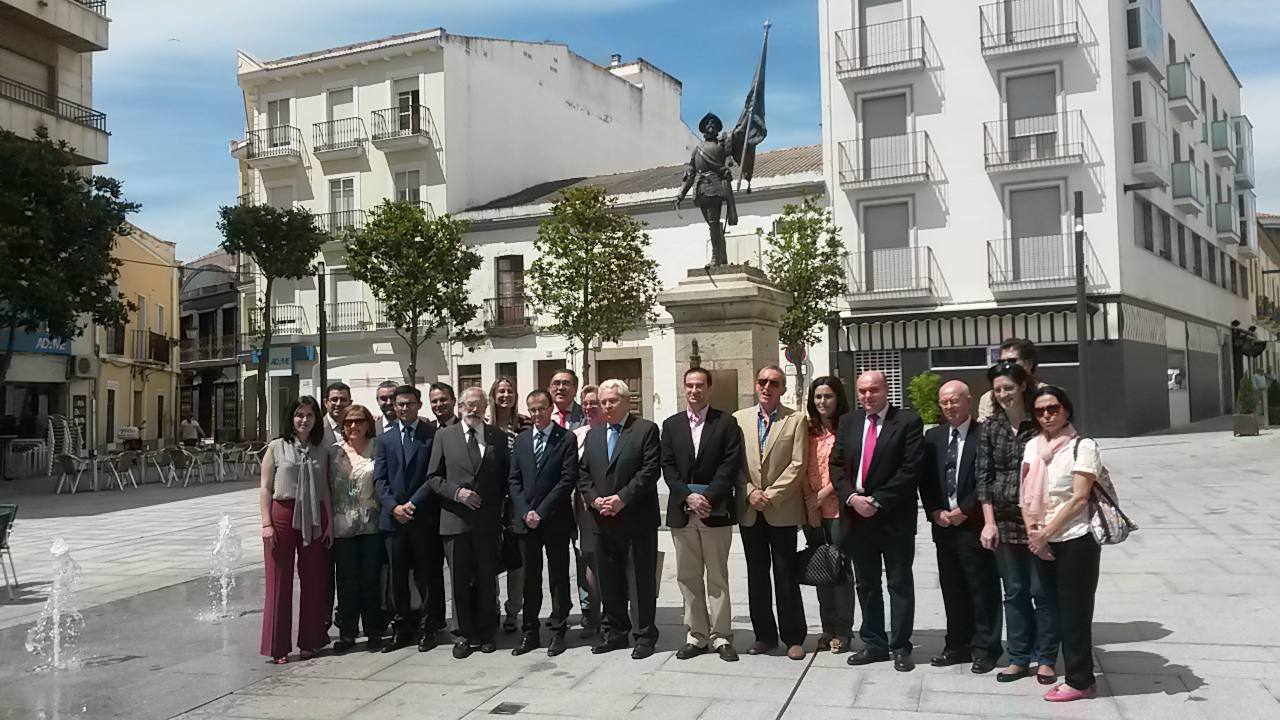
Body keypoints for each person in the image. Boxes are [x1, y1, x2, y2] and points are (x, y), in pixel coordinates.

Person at [831, 370, 924, 672]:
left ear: (886, 390)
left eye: (873, 390)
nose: (867, 396)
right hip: (857, 517)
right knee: (866, 583)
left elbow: (910, 470)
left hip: (893, 517)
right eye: (862, 391)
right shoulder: (849, 421)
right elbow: (836, 464)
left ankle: (900, 646)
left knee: (898, 583)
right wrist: (852, 499)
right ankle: (874, 643)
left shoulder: (907, 422)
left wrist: (878, 500)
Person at [976, 360, 1059, 684]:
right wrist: (988, 521)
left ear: (1023, 386)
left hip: (1039, 520)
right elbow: (983, 476)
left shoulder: (1040, 424)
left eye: (1008, 388)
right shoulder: (991, 427)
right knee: (1014, 591)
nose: (1003, 394)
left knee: (1043, 590)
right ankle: (1019, 656)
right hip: (1005, 520)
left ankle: (1047, 658)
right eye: (998, 390)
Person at [1025, 386, 1104, 703]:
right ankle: (1070, 672)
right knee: (1050, 607)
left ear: (1066, 410)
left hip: (1075, 538)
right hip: (1042, 538)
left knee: (1075, 612)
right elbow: (1025, 494)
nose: (1046, 415)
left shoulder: (1083, 446)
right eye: (1040, 410)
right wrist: (1034, 532)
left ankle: (1080, 680)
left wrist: (1046, 533)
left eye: (1053, 408)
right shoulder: (1033, 446)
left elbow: (1079, 498)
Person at [920, 381, 1002, 674]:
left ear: (968, 401)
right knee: (952, 588)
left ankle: (986, 648)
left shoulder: (985, 435)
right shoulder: (933, 437)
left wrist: (964, 511)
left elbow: (988, 479)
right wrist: (934, 511)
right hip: (943, 525)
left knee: (982, 588)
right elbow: (926, 480)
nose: (950, 407)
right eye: (944, 402)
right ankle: (956, 645)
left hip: (975, 523)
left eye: (955, 401)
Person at [662, 368, 743, 662]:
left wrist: (707, 498)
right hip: (683, 513)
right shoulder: (671, 425)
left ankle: (721, 636)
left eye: (700, 385)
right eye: (689, 385)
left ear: (709, 388)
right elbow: (668, 467)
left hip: (715, 512)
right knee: (688, 576)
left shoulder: (726, 423)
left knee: (718, 577)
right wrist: (688, 497)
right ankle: (696, 636)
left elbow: (730, 465)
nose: (694, 391)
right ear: (684, 388)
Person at [425, 387, 512, 658]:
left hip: (487, 523)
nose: (473, 410)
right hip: (455, 521)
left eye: (478, 405)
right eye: (468, 405)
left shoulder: (497, 436)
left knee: (487, 578)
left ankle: (487, 632)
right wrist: (457, 493)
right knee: (460, 581)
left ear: (486, 407)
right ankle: (463, 635)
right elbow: (433, 478)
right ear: (460, 407)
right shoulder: (444, 436)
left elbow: (505, 478)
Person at [578, 378, 662, 659]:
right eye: (603, 402)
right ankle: (614, 632)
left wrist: (621, 499)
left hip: (636, 520)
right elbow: (583, 474)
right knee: (609, 579)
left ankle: (644, 635)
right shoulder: (594, 434)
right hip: (602, 520)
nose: (607, 406)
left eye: (612, 401)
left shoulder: (645, 430)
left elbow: (649, 472)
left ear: (627, 401)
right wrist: (594, 500)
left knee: (639, 580)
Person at [733, 364, 808, 660]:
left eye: (774, 383)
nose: (767, 387)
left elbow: (798, 464)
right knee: (757, 575)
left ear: (783, 389)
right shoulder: (739, 420)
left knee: (785, 574)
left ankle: (793, 636)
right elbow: (734, 463)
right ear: (755, 385)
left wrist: (771, 495)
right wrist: (750, 491)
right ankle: (764, 635)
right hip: (750, 508)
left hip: (781, 510)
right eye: (762, 381)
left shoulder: (796, 420)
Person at [373, 384, 447, 653]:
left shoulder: (432, 435)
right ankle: (402, 627)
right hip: (393, 520)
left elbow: (434, 476)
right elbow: (379, 480)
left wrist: (412, 505)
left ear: (419, 405)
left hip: (423, 516)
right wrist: (394, 507)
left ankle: (428, 628)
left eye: (409, 403)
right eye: (400, 404)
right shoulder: (385, 438)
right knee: (397, 576)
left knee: (427, 575)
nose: (404, 408)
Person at [259, 396, 332, 664]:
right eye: (299, 414)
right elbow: (265, 487)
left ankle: (310, 641)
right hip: (282, 514)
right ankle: (278, 646)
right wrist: (266, 523)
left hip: (314, 515)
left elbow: (324, 489)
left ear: (316, 419)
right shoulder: (276, 447)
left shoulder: (321, 450)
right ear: (291, 417)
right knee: (279, 582)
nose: (304, 420)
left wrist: (329, 525)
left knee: (314, 580)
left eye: (310, 415)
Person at [508, 389, 578, 657]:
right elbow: (514, 480)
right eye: (532, 409)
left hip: (555, 519)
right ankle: (530, 631)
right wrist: (526, 511)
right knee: (530, 577)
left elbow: (567, 479)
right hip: (526, 522)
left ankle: (559, 629)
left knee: (558, 576)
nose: (537, 414)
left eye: (541, 408)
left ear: (551, 409)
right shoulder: (522, 440)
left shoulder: (566, 439)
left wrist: (542, 511)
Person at [801, 376, 855, 654]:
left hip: (839, 510)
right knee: (822, 568)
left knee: (841, 570)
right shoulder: (807, 430)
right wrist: (810, 506)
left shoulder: (848, 428)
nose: (822, 402)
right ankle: (827, 627)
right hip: (813, 511)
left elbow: (851, 469)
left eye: (828, 396)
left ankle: (844, 631)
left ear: (838, 399)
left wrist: (822, 496)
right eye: (818, 397)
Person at [328, 404, 387, 653]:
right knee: (347, 581)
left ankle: (374, 630)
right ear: (342, 426)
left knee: (371, 580)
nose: (354, 426)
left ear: (367, 423)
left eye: (359, 421)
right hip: (343, 527)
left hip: (372, 525)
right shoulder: (334, 453)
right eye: (349, 422)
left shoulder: (378, 448)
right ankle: (348, 632)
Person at [490, 377, 533, 633]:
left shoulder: (524, 425)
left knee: (518, 560)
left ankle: (513, 609)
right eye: (501, 391)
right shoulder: (485, 427)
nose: (505, 395)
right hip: (492, 503)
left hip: (517, 502)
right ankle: (492, 606)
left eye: (510, 391)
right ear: (493, 395)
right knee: (491, 558)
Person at [572, 384, 603, 638]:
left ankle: (617, 613)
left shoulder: (617, 432)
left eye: (595, 402)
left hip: (613, 506)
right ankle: (593, 615)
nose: (590, 407)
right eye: (586, 403)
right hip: (583, 507)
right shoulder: (577, 435)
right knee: (589, 560)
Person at [978, 339, 1044, 422]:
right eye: (1002, 362)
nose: (1006, 366)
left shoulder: (1046, 394)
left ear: (1029, 364)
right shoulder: (988, 399)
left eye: (1011, 361)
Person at [322, 382, 353, 448]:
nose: (338, 404)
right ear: (326, 403)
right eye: (334, 399)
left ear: (350, 403)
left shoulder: (357, 426)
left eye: (343, 400)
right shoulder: (316, 428)